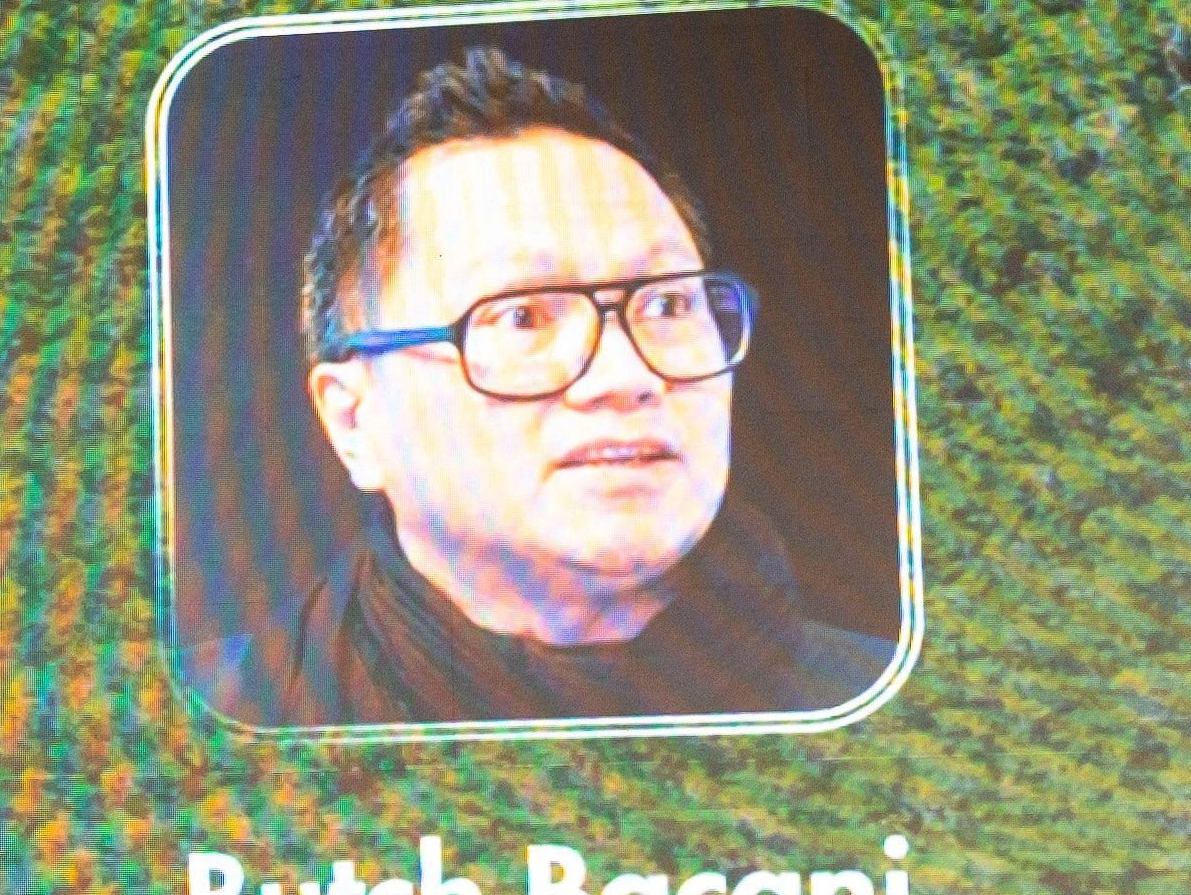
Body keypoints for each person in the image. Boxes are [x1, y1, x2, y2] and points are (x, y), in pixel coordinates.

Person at [191, 49, 894, 726]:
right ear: (354, 421)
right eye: (522, 316)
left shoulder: (897, 709)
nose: (627, 376)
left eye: (667, 305)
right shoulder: (208, 730)